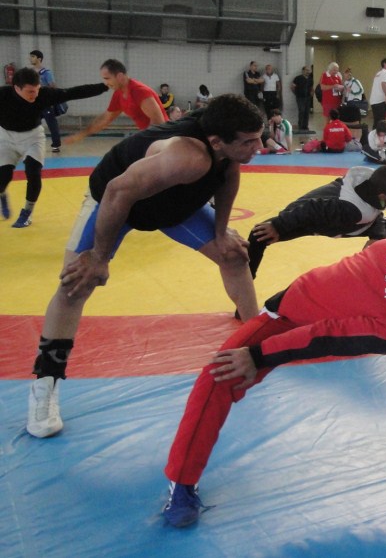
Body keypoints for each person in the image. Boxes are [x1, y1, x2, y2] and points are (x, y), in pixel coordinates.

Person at [160, 239, 386, 528]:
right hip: (291, 315)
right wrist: (257, 355)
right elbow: (326, 337)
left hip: (345, 303)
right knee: (219, 374)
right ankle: (181, 483)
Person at [25, 94, 265, 440]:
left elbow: (228, 174)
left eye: (258, 138)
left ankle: (254, 339)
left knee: (234, 255)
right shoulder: (188, 156)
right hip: (114, 205)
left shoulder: (226, 143)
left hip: (171, 205)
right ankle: (45, 384)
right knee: (76, 284)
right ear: (216, 142)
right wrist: (98, 257)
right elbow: (117, 192)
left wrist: (220, 231)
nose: (259, 146)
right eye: (250, 141)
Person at [248, 165, 386, 278]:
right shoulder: (353, 210)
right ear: (382, 195)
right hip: (304, 217)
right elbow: (311, 208)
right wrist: (278, 225)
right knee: (259, 235)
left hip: (327, 213)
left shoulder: (370, 180)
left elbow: (376, 210)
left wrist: (377, 237)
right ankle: (245, 291)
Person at [0, 68, 107, 228]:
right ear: (16, 88)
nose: (35, 94)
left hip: (32, 136)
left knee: (33, 172)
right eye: (30, 92)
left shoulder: (44, 94)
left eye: (37, 89)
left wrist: (104, 86)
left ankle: (27, 212)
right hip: (6, 137)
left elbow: (73, 93)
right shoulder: (3, 95)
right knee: (3, 177)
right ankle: (2, 193)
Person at [63, 59, 168, 146]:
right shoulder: (118, 94)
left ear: (120, 76)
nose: (106, 83)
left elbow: (159, 123)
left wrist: (140, 143)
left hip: (163, 140)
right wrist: (81, 135)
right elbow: (104, 119)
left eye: (107, 78)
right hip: (150, 140)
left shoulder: (139, 91)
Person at [28, 50, 63, 154]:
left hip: (46, 103)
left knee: (51, 123)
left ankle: (56, 145)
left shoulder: (46, 73)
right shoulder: (29, 73)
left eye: (33, 56)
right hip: (34, 103)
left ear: (39, 59)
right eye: (30, 56)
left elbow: (53, 86)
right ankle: (32, 145)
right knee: (31, 124)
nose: (30, 58)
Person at [370, 58, 386, 124]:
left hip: (374, 101)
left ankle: (374, 131)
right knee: (382, 123)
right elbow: (383, 84)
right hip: (381, 101)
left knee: (377, 122)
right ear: (385, 64)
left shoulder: (378, 73)